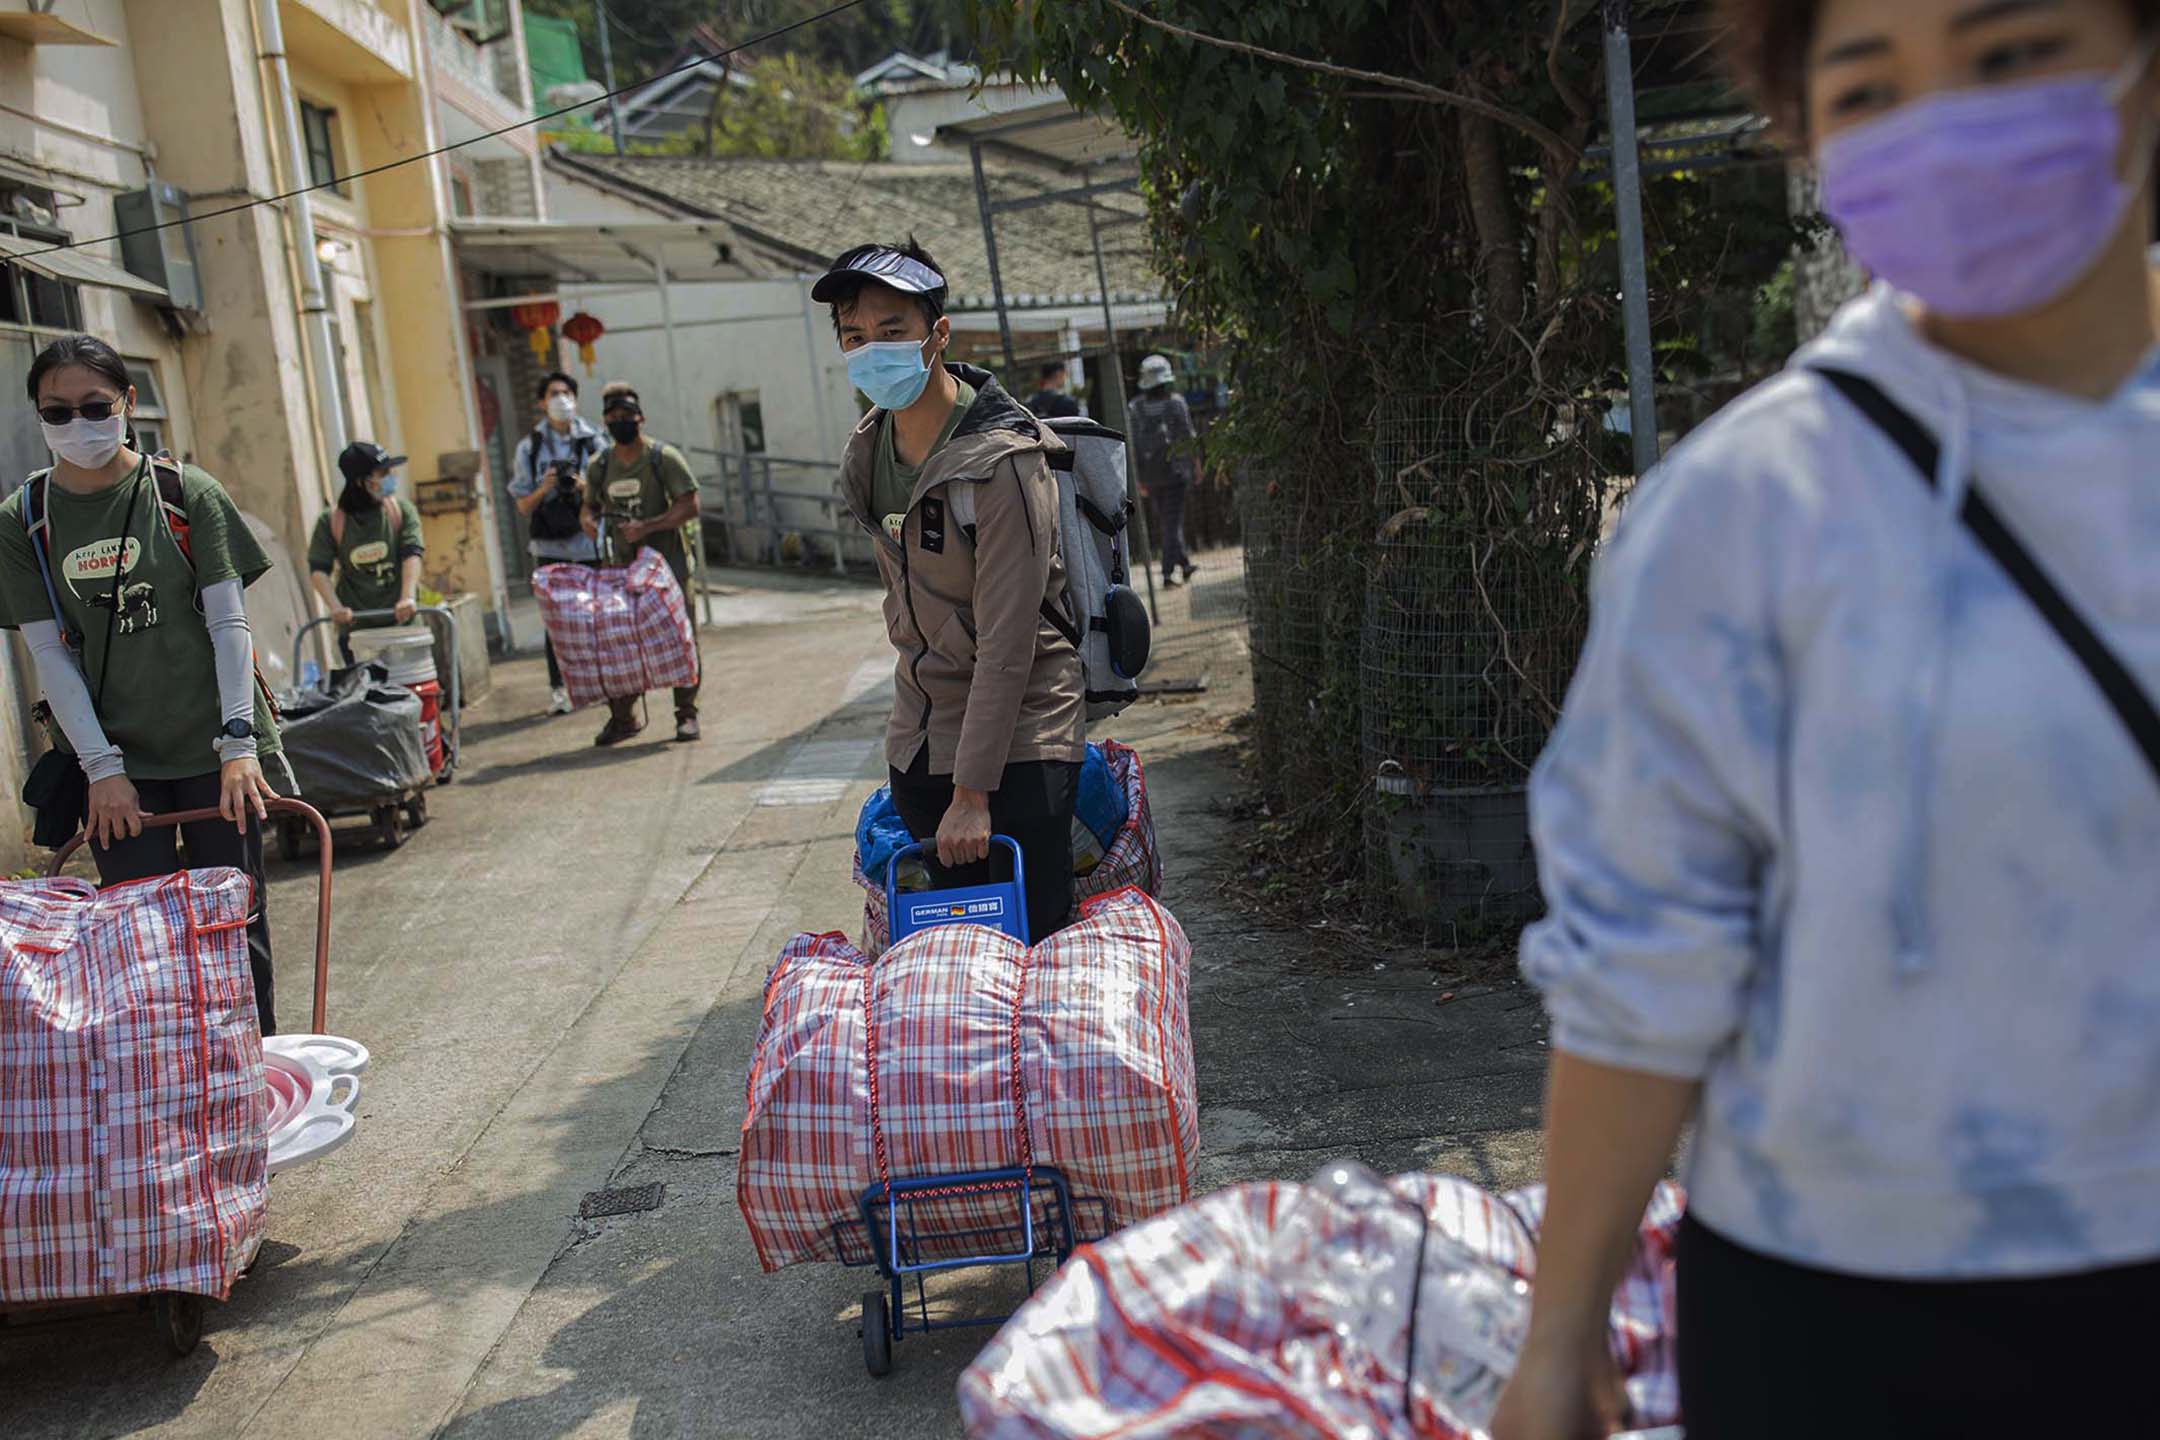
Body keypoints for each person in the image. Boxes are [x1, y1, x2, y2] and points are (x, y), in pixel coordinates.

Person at [1493, 2, 2160, 1436]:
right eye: (1870, 87)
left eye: (2011, 55)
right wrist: (1561, 1337)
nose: (1946, 123)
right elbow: (1645, 962)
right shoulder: (1742, 516)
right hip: (1845, 1318)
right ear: (1805, 136)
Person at [0, 333, 284, 1034]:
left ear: (127, 402)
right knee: (140, 944)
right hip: (116, 763)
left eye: (94, 406)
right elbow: (49, 653)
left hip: (216, 749)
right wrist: (101, 769)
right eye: (56, 411)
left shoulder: (187, 493)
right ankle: (171, 1094)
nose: (77, 425)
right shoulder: (23, 520)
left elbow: (228, 625)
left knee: (231, 930)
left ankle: (253, 1080)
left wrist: (239, 744)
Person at [816, 240, 1084, 944]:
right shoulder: (866, 453)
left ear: (938, 334)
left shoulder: (1003, 461)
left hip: (1018, 744)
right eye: (854, 336)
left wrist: (972, 795)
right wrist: (909, 751)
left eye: (892, 331)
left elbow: (1007, 641)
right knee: (945, 965)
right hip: (923, 744)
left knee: (1027, 959)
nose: (871, 349)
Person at [581, 381, 702, 745]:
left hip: (668, 567)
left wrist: (649, 526)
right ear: (604, 421)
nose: (620, 421)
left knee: (681, 639)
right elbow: (589, 507)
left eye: (627, 415)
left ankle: (686, 714)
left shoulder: (661, 457)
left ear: (641, 417)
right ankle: (623, 717)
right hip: (620, 568)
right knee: (619, 642)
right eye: (613, 416)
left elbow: (690, 503)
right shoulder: (600, 465)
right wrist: (587, 520)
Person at [509, 369, 604, 715]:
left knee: (597, 616)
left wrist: (582, 487)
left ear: (576, 399)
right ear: (541, 402)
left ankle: (601, 681)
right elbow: (522, 504)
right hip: (550, 547)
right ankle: (560, 689)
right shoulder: (530, 447)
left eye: (566, 393)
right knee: (556, 622)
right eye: (553, 394)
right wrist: (545, 487)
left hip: (589, 542)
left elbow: (608, 491)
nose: (561, 400)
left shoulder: (594, 440)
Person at [306, 440, 423, 666]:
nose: (391, 477)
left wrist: (407, 597)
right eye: (383, 473)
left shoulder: (400, 512)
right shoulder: (331, 522)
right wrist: (335, 607)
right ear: (362, 482)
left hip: (401, 626)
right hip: (357, 633)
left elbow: (412, 553)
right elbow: (318, 570)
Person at [1127, 354, 1198, 588]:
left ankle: (1185, 564)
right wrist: (1196, 465)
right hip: (1175, 472)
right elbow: (1189, 436)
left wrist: (1138, 478)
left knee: (1168, 522)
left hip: (1150, 475)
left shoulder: (1135, 407)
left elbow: (1135, 445)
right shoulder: (1176, 402)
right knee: (1171, 523)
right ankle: (1167, 574)